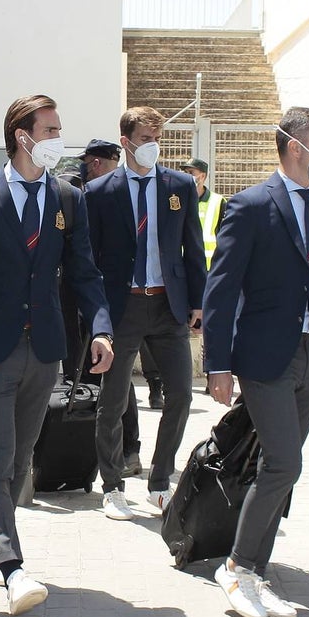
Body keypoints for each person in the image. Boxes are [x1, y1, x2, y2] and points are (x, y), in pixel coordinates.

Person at [0, 95, 114, 615]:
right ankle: (13, 570)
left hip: (45, 352)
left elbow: (85, 272)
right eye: (51, 129)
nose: (59, 137)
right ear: (22, 135)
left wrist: (101, 329)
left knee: (18, 460)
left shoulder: (66, 199)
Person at [203, 106, 309, 617]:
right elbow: (221, 289)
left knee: (279, 468)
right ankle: (237, 569)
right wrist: (217, 363)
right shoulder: (250, 205)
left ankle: (255, 572)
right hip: (265, 355)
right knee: (285, 464)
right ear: (295, 146)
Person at [87, 106, 205, 521]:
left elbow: (193, 246)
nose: (152, 145)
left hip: (168, 305)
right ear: (126, 142)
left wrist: (197, 301)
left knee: (182, 394)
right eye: (144, 138)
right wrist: (96, 316)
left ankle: (159, 481)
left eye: (157, 137)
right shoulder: (100, 192)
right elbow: (91, 260)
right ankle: (113, 486)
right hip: (122, 308)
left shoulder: (179, 186)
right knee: (114, 400)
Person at [73, 138, 149, 476]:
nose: (85, 168)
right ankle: (95, 448)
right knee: (100, 377)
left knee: (116, 381)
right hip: (92, 299)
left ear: (99, 163)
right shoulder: (97, 192)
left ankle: (128, 449)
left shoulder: (114, 193)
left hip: (114, 302)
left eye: (88, 162)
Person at [180, 156, 227, 395]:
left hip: (209, 274)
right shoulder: (176, 198)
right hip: (181, 273)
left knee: (209, 328)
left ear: (204, 176)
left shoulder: (218, 202)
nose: (190, 175)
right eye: (186, 171)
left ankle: (211, 374)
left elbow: (224, 239)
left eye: (194, 171)